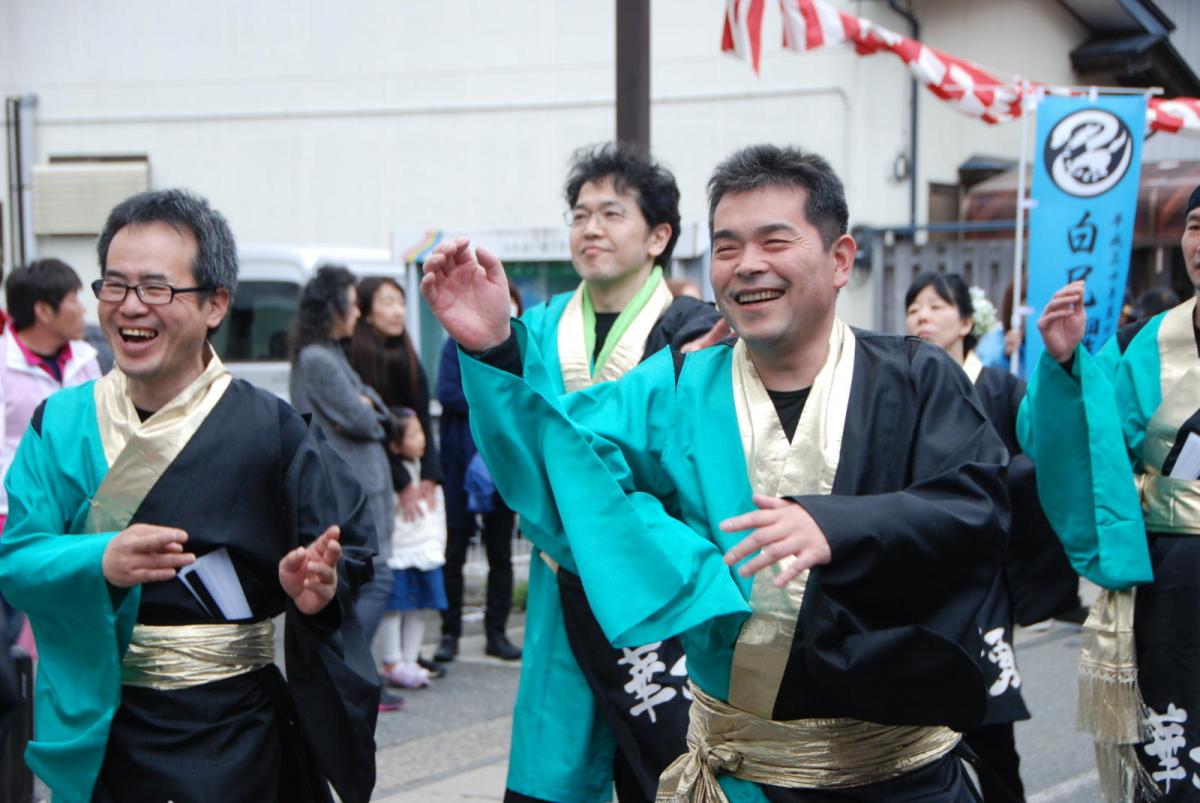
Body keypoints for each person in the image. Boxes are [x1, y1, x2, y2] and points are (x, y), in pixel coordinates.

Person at [424, 144, 1009, 801]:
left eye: (774, 240)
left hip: (900, 777)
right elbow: (570, 469)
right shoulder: (678, 384)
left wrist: (839, 526)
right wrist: (496, 348)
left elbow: (979, 508)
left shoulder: (916, 376)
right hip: (738, 775)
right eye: (728, 247)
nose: (748, 264)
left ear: (840, 258)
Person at [0, 189, 380, 802]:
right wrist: (97, 559)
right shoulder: (60, 424)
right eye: (115, 286)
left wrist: (319, 595)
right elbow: (14, 559)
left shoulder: (272, 430)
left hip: (237, 733)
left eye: (156, 288)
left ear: (215, 304)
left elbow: (352, 551)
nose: (130, 308)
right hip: (106, 728)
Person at [1019, 186, 1200, 802]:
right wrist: (1068, 365)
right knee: (1174, 756)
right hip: (1171, 581)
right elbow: (1068, 436)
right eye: (1196, 226)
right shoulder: (1142, 342)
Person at [905, 272, 1081, 802]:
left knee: (989, 720)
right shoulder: (897, 385)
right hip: (917, 572)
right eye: (913, 308)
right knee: (918, 728)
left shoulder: (1002, 388)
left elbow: (1043, 451)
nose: (921, 317)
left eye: (935, 307)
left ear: (966, 322)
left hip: (984, 579)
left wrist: (991, 483)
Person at [288, 265, 405, 713]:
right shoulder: (318, 358)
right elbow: (364, 418)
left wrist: (370, 410)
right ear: (334, 305)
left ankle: (351, 674)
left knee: (363, 578)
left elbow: (371, 407)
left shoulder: (329, 353)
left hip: (363, 479)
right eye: (353, 302)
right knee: (376, 576)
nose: (358, 311)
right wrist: (371, 413)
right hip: (352, 483)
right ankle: (349, 672)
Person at [0, 259, 102, 655]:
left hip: (75, 516)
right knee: (14, 638)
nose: (82, 308)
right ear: (43, 310)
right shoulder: (4, 362)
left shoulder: (86, 358)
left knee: (63, 632)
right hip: (11, 514)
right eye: (73, 299)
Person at [436, 283, 525, 663]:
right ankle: (449, 633)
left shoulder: (515, 348)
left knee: (500, 555)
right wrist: (490, 398)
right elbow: (447, 392)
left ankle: (496, 632)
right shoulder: (453, 346)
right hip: (460, 466)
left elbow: (523, 397)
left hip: (502, 466)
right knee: (454, 552)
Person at [378, 409, 448, 688]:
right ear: (395, 445)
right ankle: (392, 661)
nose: (423, 440)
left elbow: (438, 511)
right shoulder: (390, 477)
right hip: (398, 553)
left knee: (419, 607)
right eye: (415, 434)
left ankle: (410, 660)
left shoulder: (426, 471)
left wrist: (438, 545)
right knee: (393, 609)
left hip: (426, 551)